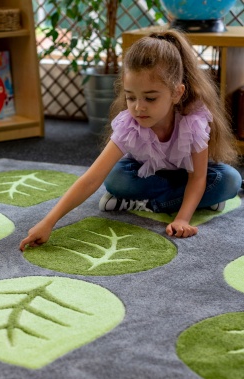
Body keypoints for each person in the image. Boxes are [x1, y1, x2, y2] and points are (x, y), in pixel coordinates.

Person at [19, 29, 242, 250]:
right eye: (130, 97)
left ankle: (145, 203)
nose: (138, 107)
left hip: (185, 176)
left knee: (231, 179)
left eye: (150, 98)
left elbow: (197, 178)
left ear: (177, 93)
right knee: (116, 179)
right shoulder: (129, 125)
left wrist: (183, 219)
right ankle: (199, 201)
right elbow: (91, 179)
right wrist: (49, 222)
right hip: (144, 172)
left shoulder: (194, 121)